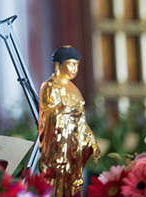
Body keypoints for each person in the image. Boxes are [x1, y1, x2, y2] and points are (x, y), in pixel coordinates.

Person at [37, 46, 99, 197]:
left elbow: (82, 121)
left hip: (73, 147)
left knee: (73, 186)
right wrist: (64, 111)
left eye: (77, 64)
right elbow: (48, 114)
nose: (75, 68)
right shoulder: (50, 86)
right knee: (58, 183)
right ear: (58, 65)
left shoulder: (74, 89)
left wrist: (91, 139)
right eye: (71, 64)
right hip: (58, 146)